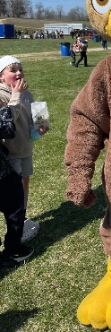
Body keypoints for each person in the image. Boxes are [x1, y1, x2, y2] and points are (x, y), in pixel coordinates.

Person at [0, 56, 48, 244]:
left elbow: (32, 116)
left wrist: (41, 123)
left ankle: (22, 217)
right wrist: (16, 95)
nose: (19, 72)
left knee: (24, 184)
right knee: (11, 191)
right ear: (1, 77)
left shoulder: (26, 93)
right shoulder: (2, 95)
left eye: (20, 69)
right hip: (8, 153)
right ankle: (15, 223)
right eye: (13, 70)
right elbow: (7, 120)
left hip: (25, 147)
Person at [0, 104, 34, 267]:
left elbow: (36, 110)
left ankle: (21, 225)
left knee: (20, 191)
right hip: (6, 164)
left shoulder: (26, 94)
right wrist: (13, 102)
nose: (19, 76)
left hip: (23, 151)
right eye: (13, 74)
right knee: (13, 203)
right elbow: (7, 129)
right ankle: (13, 249)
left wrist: (41, 124)